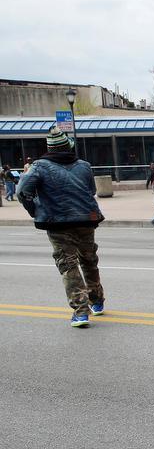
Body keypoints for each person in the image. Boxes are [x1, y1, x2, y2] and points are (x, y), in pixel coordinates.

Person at [16, 125, 106, 327]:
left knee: (68, 265)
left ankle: (81, 312)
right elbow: (91, 190)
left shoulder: (39, 166)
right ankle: (97, 300)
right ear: (68, 147)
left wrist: (35, 210)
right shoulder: (84, 165)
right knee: (89, 259)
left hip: (57, 222)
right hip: (86, 218)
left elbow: (22, 192)